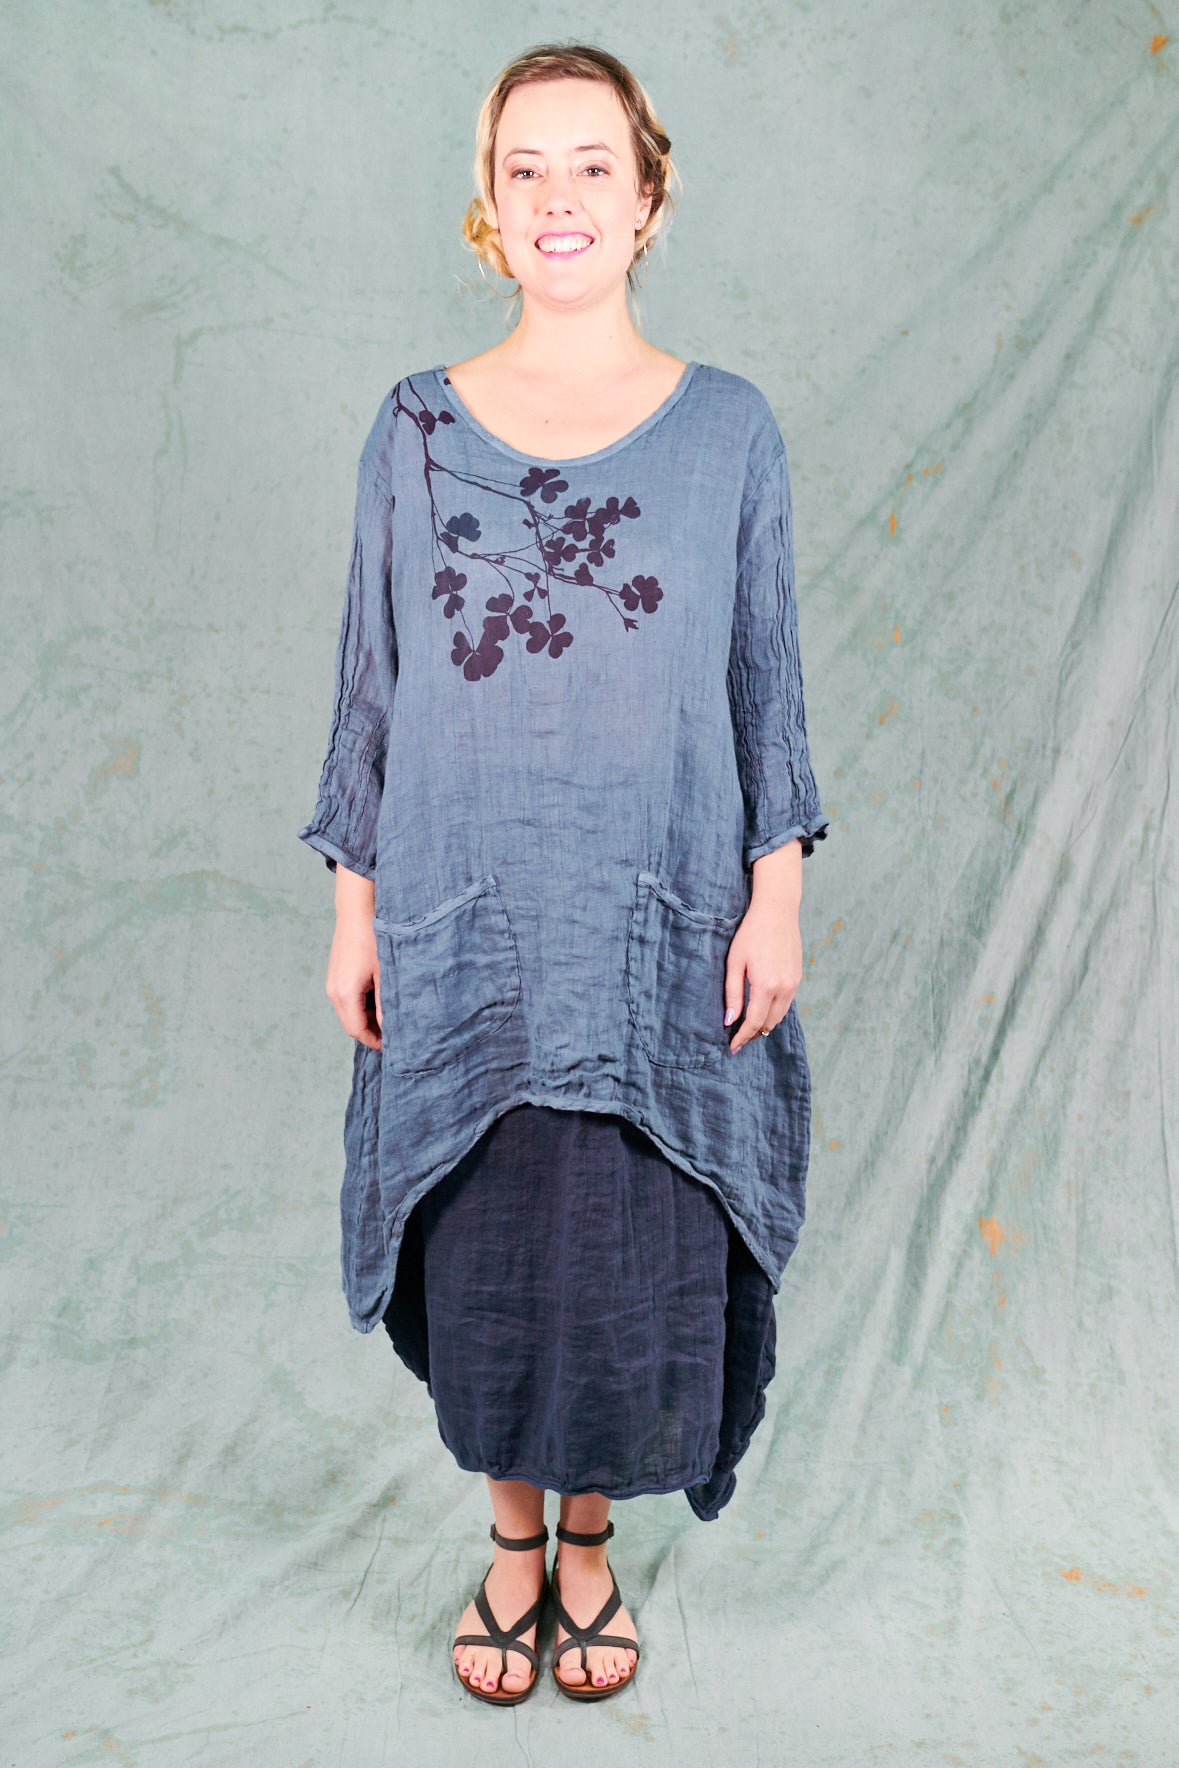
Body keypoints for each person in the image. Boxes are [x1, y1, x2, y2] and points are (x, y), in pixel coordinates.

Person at [297, 42, 829, 1707]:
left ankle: (589, 1548)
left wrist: (779, 895)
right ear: (489, 204)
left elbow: (763, 684)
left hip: (654, 924)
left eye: (594, 166)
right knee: (496, 1253)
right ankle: (509, 1543)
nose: (561, 198)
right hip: (467, 924)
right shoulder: (415, 428)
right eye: (527, 168)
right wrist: (354, 912)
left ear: (648, 198)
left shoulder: (729, 432)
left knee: (620, 1256)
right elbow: (372, 686)